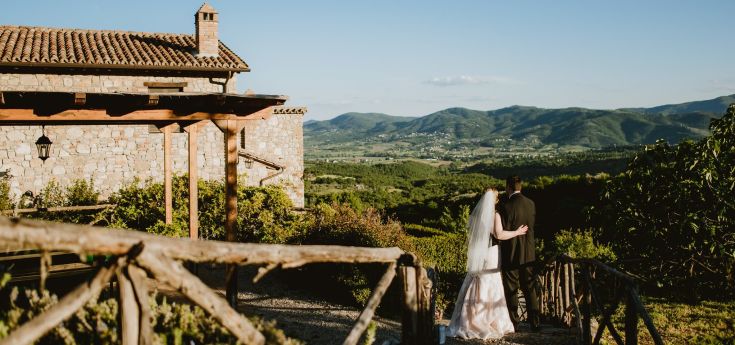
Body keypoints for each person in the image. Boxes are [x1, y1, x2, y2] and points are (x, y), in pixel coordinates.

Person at [448, 188, 528, 340]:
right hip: (491, 253)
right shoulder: (494, 215)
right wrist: (517, 232)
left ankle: (469, 317)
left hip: (479, 252)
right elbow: (499, 234)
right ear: (495, 200)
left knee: (476, 280)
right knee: (492, 281)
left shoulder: (475, 216)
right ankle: (489, 319)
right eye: (497, 198)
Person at [498, 175, 541, 331]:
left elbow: (502, 231)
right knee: (530, 288)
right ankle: (535, 323)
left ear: (508, 187)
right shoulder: (531, 204)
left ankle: (514, 322)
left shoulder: (505, 206)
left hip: (511, 252)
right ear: (520, 187)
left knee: (511, 289)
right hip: (529, 253)